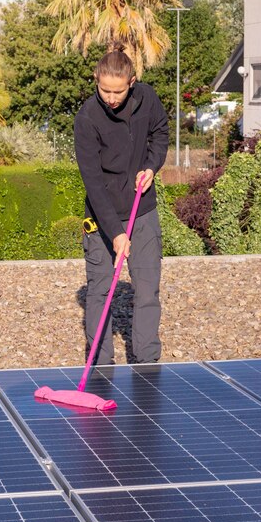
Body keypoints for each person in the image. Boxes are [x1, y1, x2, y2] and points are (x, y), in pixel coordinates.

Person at [74, 46, 169, 365]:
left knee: (146, 291)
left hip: (142, 212)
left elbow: (160, 134)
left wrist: (152, 167)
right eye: (105, 90)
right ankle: (100, 366)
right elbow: (93, 182)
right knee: (100, 292)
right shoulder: (87, 117)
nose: (111, 98)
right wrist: (114, 233)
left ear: (132, 81)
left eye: (118, 91)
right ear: (95, 80)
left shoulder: (149, 99)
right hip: (102, 218)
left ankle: (146, 364)